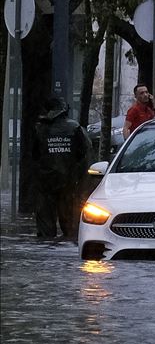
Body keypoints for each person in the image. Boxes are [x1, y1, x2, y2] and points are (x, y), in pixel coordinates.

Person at [32, 97, 92, 239]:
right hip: (69, 181)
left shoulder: (40, 128)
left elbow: (35, 155)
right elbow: (85, 152)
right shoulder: (75, 127)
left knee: (46, 228)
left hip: (45, 181)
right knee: (70, 226)